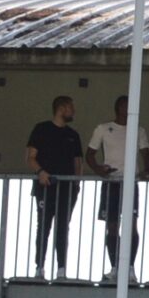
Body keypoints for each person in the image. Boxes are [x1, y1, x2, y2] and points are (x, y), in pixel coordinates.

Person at [87, 94, 148, 285]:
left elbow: (146, 152)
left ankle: (130, 268)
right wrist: (98, 170)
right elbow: (90, 154)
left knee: (132, 225)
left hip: (130, 182)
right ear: (118, 108)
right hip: (111, 181)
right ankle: (114, 267)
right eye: (125, 106)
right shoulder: (103, 128)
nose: (127, 109)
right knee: (112, 226)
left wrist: (147, 170)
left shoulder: (138, 130)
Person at [24, 95, 86, 280]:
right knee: (43, 225)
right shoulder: (41, 129)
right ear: (62, 108)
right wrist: (40, 172)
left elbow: (78, 163)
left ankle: (61, 269)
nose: (73, 111)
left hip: (67, 190)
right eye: (71, 108)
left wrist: (76, 185)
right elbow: (30, 157)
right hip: (45, 187)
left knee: (62, 227)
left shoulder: (73, 135)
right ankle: (39, 267)